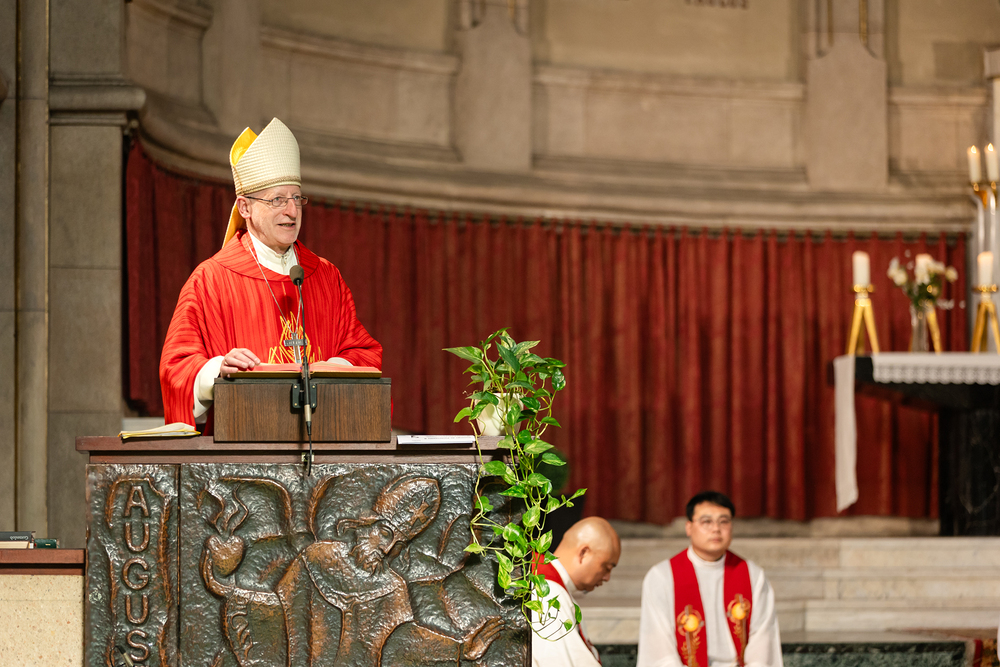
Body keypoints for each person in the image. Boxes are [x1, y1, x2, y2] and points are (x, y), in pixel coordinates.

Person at [159, 118, 381, 427]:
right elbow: (176, 369)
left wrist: (332, 370)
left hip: (321, 439)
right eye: (277, 199)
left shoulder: (326, 276)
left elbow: (364, 352)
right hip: (243, 442)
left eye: (297, 198)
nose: (292, 211)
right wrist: (217, 369)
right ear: (245, 208)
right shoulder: (211, 280)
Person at [636, 491, 783, 667]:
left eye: (724, 521)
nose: (716, 529)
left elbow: (762, 642)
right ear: (689, 527)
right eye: (707, 521)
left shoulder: (753, 575)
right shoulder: (662, 576)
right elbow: (660, 650)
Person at [531, 517, 621, 667]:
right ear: (584, 553)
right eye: (606, 567)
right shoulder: (547, 590)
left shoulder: (551, 583)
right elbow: (554, 661)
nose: (607, 578)